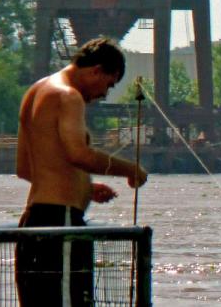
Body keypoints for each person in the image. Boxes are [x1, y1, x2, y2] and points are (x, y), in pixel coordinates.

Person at [15, 37, 148, 307]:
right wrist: (131, 169)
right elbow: (79, 154)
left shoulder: (36, 91)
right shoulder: (69, 96)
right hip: (61, 224)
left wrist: (84, 188)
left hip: (34, 221)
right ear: (96, 70)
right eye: (108, 84)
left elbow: (25, 168)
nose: (104, 94)